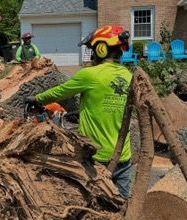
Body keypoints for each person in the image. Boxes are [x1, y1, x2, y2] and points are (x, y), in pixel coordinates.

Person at [28, 25, 134, 198]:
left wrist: (37, 99)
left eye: (93, 49)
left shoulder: (89, 75)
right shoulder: (128, 76)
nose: (92, 55)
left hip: (96, 156)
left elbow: (60, 91)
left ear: (101, 49)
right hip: (124, 155)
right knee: (123, 204)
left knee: (93, 203)